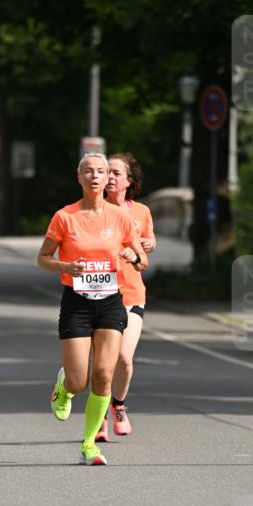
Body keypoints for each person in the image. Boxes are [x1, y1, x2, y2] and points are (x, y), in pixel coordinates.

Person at [37, 152, 148, 466]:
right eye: (89, 171)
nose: (96, 176)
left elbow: (143, 260)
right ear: (79, 177)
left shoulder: (120, 217)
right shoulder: (65, 216)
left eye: (101, 171)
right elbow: (42, 258)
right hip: (77, 303)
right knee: (79, 380)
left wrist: (132, 256)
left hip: (111, 302)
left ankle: (89, 444)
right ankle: (64, 388)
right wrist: (65, 266)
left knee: (103, 375)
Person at [96, 152, 156, 441]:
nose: (109, 177)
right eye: (106, 172)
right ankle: (98, 419)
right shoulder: (94, 209)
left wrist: (148, 244)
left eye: (116, 173)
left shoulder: (141, 212)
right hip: (100, 294)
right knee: (103, 363)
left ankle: (117, 405)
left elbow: (147, 243)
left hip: (132, 294)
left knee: (124, 358)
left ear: (129, 181)